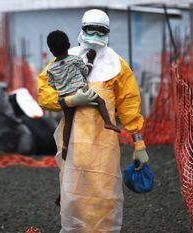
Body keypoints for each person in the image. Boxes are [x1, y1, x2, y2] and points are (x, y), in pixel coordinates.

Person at [38, 9, 149, 232]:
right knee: (73, 196)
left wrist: (139, 143)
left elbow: (129, 105)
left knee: (105, 196)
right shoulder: (64, 60)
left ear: (108, 32)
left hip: (104, 148)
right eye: (91, 29)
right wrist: (68, 100)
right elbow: (43, 94)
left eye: (101, 30)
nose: (96, 34)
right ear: (82, 28)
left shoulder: (117, 66)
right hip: (73, 145)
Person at [45, 30, 120, 160]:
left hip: (66, 97)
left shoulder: (51, 68)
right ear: (68, 45)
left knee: (68, 123)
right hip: (81, 91)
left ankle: (65, 146)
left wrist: (63, 87)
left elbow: (51, 83)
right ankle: (108, 122)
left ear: (51, 50)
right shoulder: (75, 60)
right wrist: (90, 60)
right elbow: (86, 72)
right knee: (100, 102)